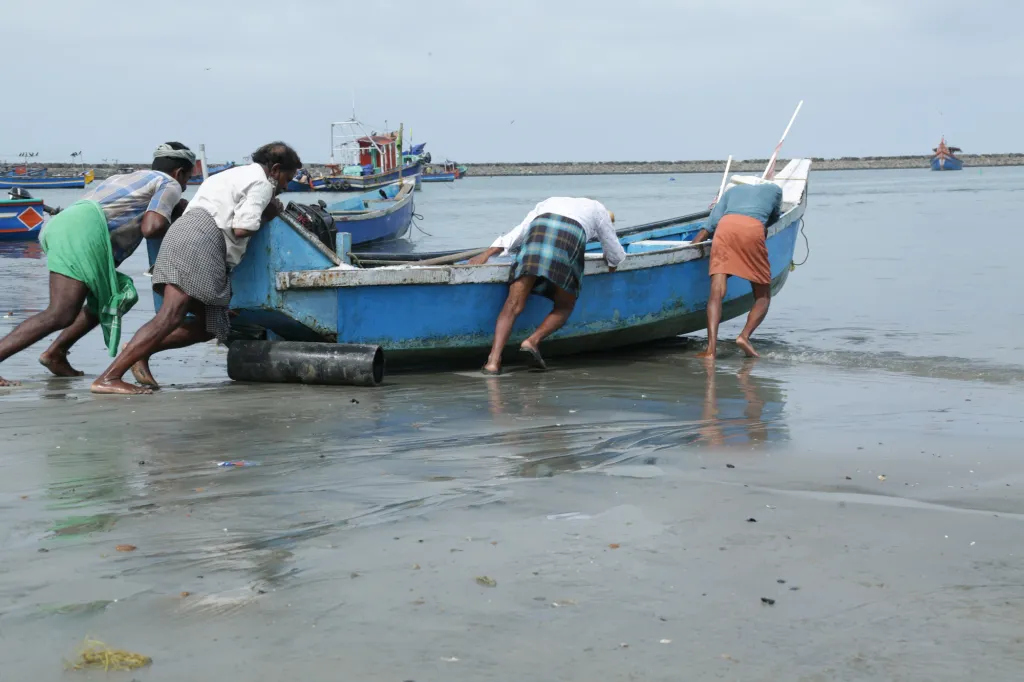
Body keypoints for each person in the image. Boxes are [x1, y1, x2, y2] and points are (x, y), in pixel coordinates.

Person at [90, 142, 301, 395]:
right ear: (276, 169)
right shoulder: (262, 183)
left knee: (212, 325)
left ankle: (137, 352)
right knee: (171, 315)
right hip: (201, 242)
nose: (287, 186)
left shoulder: (228, 175)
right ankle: (109, 377)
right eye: (288, 178)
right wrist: (272, 211)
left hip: (185, 235)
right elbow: (242, 228)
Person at [0, 143, 195, 387]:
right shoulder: (170, 184)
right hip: (81, 232)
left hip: (66, 224)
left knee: (109, 297)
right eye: (188, 178)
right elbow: (152, 227)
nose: (186, 185)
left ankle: (56, 354)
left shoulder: (128, 176)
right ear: (179, 172)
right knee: (60, 312)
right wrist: (176, 218)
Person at [468, 197, 626, 375]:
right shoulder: (599, 209)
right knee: (565, 305)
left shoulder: (548, 202)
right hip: (567, 240)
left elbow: (519, 232)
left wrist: (488, 252)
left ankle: (493, 362)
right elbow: (615, 253)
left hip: (536, 236)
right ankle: (532, 341)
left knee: (512, 305)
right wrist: (612, 263)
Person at [690, 181, 783, 359]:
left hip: (725, 229)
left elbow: (712, 223)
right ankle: (744, 337)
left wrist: (694, 244)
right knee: (763, 294)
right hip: (752, 230)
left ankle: (711, 350)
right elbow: (774, 217)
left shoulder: (732, 190)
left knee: (716, 292)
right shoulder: (776, 190)